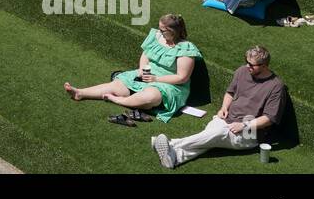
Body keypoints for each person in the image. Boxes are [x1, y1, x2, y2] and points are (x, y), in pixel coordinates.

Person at [153, 45, 287, 168]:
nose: (247, 66)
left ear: (264, 66)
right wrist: (224, 107)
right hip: (226, 119)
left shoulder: (276, 86)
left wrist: (244, 125)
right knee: (210, 137)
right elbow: (230, 92)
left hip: (250, 132)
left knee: (216, 134)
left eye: (252, 65)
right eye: (246, 62)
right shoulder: (242, 71)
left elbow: (269, 118)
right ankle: (174, 158)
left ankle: (172, 144)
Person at [64, 14, 201, 122]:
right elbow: (145, 55)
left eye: (163, 30)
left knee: (150, 96)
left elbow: (182, 77)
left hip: (170, 85)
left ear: (173, 31)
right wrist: (142, 69)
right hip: (148, 75)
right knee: (118, 85)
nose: (159, 31)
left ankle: (118, 100)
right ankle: (80, 93)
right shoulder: (157, 36)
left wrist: (156, 79)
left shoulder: (185, 48)